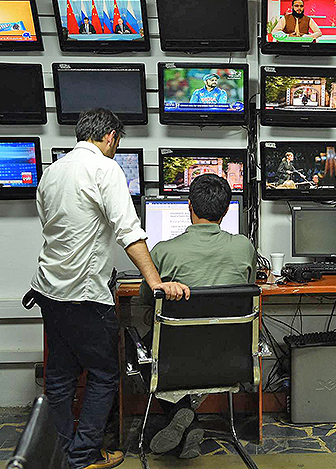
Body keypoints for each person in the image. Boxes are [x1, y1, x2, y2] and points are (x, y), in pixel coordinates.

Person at [30, 108, 187, 469]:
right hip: (85, 294)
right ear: (111, 137)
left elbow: (52, 227)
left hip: (49, 291)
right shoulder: (105, 168)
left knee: (60, 377)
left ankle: (64, 452)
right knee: (103, 375)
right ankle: (83, 456)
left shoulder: (52, 171)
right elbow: (129, 232)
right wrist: (155, 281)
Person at [138, 173, 256, 458]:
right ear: (226, 211)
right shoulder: (245, 247)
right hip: (230, 359)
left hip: (176, 360)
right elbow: (248, 288)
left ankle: (182, 413)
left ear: (189, 206)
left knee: (140, 347)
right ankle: (191, 424)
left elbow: (145, 299)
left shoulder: (163, 251)